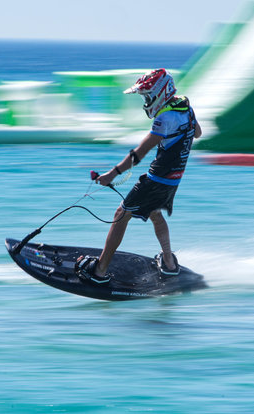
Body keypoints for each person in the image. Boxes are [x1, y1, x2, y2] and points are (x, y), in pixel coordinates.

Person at [76, 68, 202, 284]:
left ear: (160, 93)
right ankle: (170, 264)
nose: (145, 100)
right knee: (154, 212)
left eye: (147, 96)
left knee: (120, 215)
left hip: (157, 179)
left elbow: (139, 154)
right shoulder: (184, 107)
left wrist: (111, 174)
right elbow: (197, 133)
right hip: (173, 180)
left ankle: (99, 271)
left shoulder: (165, 118)